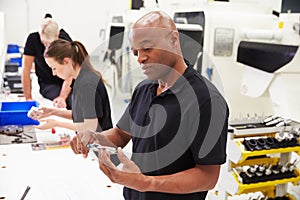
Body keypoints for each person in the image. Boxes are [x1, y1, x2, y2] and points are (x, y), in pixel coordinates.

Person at [71, 11, 229, 200]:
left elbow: (208, 177)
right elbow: (121, 134)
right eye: (136, 52)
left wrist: (145, 183)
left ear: (173, 39)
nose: (140, 59)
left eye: (147, 48)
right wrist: (94, 138)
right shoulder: (144, 90)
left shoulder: (206, 100)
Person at [33, 39, 113, 133]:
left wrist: (56, 123)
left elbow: (90, 127)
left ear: (66, 61)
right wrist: (52, 112)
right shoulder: (79, 80)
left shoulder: (87, 84)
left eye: (54, 68)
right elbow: (81, 115)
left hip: (99, 144)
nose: (53, 73)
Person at [22, 13, 73, 109]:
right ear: (40, 34)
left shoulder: (65, 40)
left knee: (75, 98)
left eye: (51, 44)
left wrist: (63, 96)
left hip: (66, 80)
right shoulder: (33, 39)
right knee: (66, 102)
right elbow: (26, 70)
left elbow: (70, 72)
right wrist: (28, 98)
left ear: (57, 35)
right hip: (48, 83)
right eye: (44, 43)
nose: (47, 47)